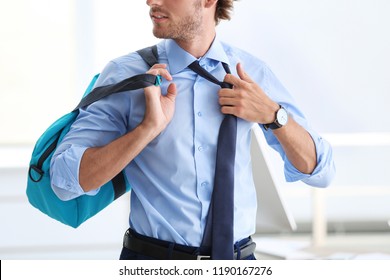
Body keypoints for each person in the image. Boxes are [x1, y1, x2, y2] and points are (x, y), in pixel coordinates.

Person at [50, 0, 335, 260]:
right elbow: (64, 181)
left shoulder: (251, 72)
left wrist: (273, 115)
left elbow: (320, 171)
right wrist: (146, 130)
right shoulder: (128, 74)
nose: (151, 2)